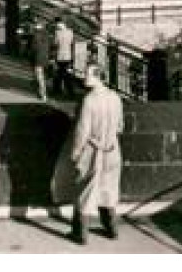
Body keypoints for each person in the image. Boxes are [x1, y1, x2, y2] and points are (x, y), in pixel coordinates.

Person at [52, 64, 125, 244]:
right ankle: (112, 229)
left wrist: (75, 152)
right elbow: (120, 126)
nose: (84, 77)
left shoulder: (89, 100)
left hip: (94, 151)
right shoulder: (116, 98)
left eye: (88, 74)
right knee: (109, 189)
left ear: (99, 77)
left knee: (85, 190)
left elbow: (82, 131)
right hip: (113, 149)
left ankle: (80, 234)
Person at [31, 18, 56, 100]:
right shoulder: (47, 34)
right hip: (46, 58)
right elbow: (52, 46)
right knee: (43, 76)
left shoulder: (36, 35)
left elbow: (35, 48)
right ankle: (42, 92)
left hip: (38, 58)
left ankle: (43, 94)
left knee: (39, 77)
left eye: (35, 24)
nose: (34, 26)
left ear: (38, 26)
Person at [52, 16, 76, 97]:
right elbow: (72, 44)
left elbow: (55, 44)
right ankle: (70, 91)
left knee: (58, 74)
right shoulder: (71, 32)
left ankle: (57, 90)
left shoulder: (57, 33)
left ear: (57, 24)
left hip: (59, 56)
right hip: (68, 56)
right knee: (67, 74)